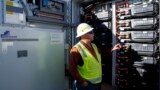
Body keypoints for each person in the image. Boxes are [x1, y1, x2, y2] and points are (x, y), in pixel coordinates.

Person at [69, 23, 121, 90]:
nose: (93, 34)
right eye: (91, 32)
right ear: (84, 34)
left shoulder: (94, 45)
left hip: (97, 83)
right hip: (87, 85)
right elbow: (72, 69)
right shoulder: (76, 50)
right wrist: (82, 81)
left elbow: (101, 54)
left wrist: (112, 49)